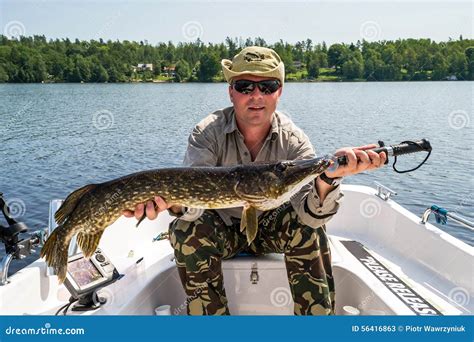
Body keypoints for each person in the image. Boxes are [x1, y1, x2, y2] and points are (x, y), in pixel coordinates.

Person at [123, 46, 386, 315]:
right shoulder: (207, 133)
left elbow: (312, 216)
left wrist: (328, 179)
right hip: (221, 227)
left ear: (279, 91)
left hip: (272, 226)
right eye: (245, 86)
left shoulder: (294, 141)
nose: (257, 95)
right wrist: (175, 205)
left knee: (311, 230)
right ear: (231, 91)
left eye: (268, 86)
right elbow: (193, 208)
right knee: (184, 230)